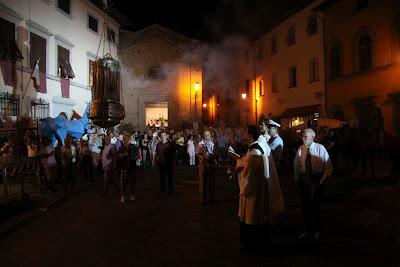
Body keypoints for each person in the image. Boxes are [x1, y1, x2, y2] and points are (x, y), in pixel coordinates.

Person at [294, 128, 333, 241]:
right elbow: (296, 165)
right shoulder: (301, 149)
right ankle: (307, 229)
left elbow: (328, 166)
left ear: (312, 137)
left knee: (315, 206)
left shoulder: (320, 148)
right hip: (304, 180)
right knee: (304, 206)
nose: (303, 138)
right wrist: (297, 179)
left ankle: (317, 230)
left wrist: (322, 180)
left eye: (305, 137)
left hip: (316, 180)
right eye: (303, 136)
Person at [236, 125, 269, 253]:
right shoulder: (252, 149)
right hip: (252, 189)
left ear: (250, 136)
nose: (242, 133)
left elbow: (251, 175)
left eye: (244, 131)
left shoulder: (255, 151)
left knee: (252, 217)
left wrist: (240, 168)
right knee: (250, 216)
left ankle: (253, 245)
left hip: (252, 191)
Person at [196, 130, 217, 205]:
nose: (207, 136)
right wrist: (204, 157)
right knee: (203, 182)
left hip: (211, 165)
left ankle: (211, 197)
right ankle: (203, 198)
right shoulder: (200, 144)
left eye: (208, 135)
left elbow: (214, 153)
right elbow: (198, 154)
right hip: (203, 165)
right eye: (206, 135)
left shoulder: (212, 144)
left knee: (211, 181)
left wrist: (212, 157)